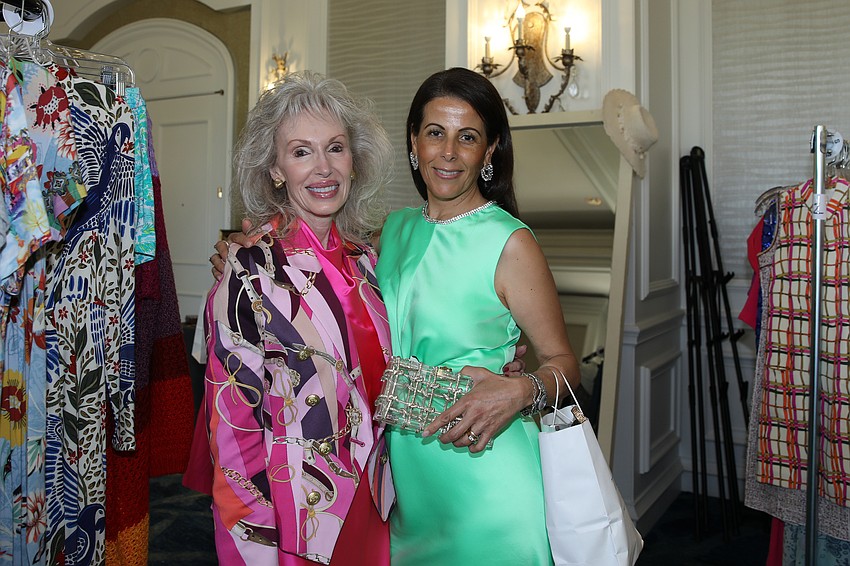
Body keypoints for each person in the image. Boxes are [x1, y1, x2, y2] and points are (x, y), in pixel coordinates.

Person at [374, 67, 580, 565]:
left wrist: (521, 389)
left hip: (488, 481)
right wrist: (249, 247)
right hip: (407, 482)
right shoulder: (392, 230)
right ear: (413, 142)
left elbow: (562, 364)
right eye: (434, 133)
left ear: (488, 152)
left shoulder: (510, 241)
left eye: (467, 138)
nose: (448, 153)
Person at [190, 71, 396, 565]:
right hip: (296, 517)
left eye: (336, 148)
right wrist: (254, 540)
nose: (323, 168)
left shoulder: (367, 264)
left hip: (374, 500)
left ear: (355, 159)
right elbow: (232, 424)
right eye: (302, 151)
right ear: (277, 168)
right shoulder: (249, 268)